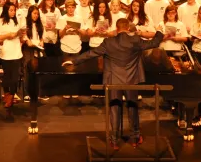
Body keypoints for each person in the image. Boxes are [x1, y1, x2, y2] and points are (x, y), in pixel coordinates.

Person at [62, 18, 164, 149]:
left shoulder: (108, 42)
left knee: (114, 109)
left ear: (116, 28)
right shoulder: (135, 40)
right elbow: (154, 43)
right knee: (133, 108)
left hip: (113, 80)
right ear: (128, 28)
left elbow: (91, 53)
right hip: (131, 80)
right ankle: (135, 138)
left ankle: (114, 141)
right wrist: (160, 31)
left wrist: (74, 61)